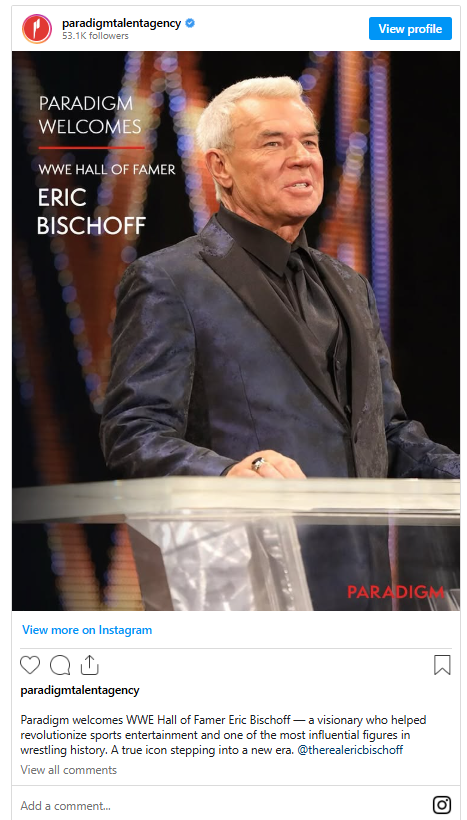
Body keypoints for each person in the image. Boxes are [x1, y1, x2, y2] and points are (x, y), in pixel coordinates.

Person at [100, 77, 458, 609]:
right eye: (274, 142)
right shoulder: (169, 279)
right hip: (251, 594)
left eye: (309, 141)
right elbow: (133, 432)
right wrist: (228, 473)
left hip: (366, 594)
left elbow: (385, 431)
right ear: (221, 167)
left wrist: (455, 474)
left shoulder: (351, 286)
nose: (302, 157)